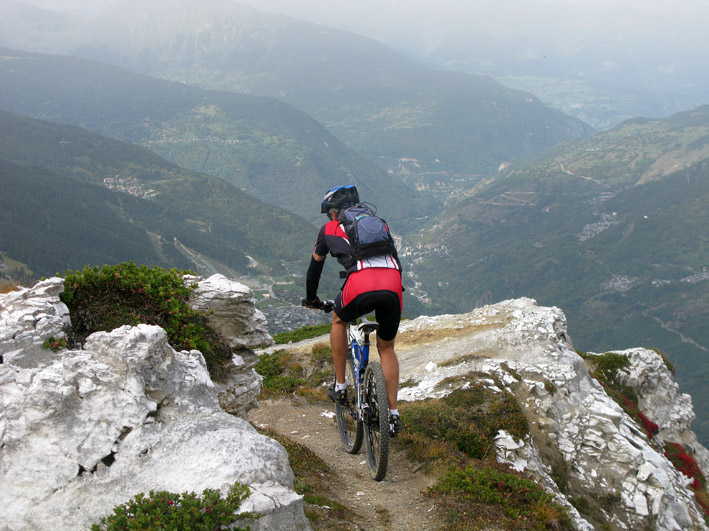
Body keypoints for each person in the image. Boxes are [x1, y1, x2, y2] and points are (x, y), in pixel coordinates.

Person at [303, 184, 403, 436]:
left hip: (360, 283)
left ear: (334, 213)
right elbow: (395, 261)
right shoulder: (378, 224)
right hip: (393, 285)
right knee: (387, 347)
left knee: (339, 320)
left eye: (329, 214)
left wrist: (313, 299)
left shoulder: (329, 229)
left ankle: (339, 385)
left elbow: (314, 270)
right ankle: (392, 415)